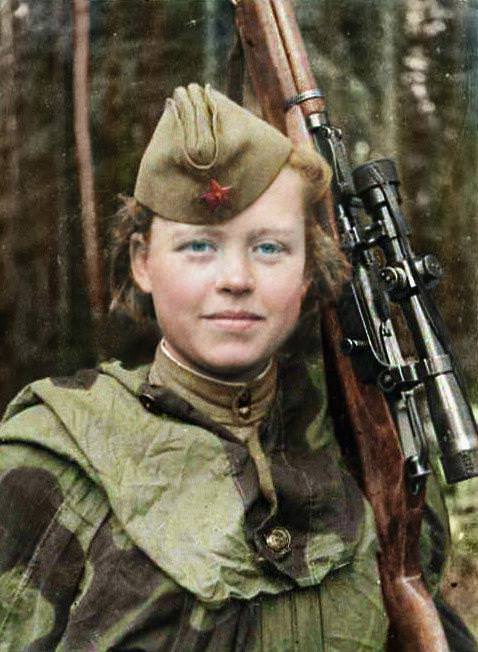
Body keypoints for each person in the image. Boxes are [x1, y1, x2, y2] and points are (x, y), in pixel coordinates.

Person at [0, 83, 456, 651]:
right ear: (143, 261)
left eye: (269, 248)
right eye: (199, 247)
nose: (235, 279)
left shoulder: (368, 449)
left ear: (309, 270)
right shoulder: (55, 459)